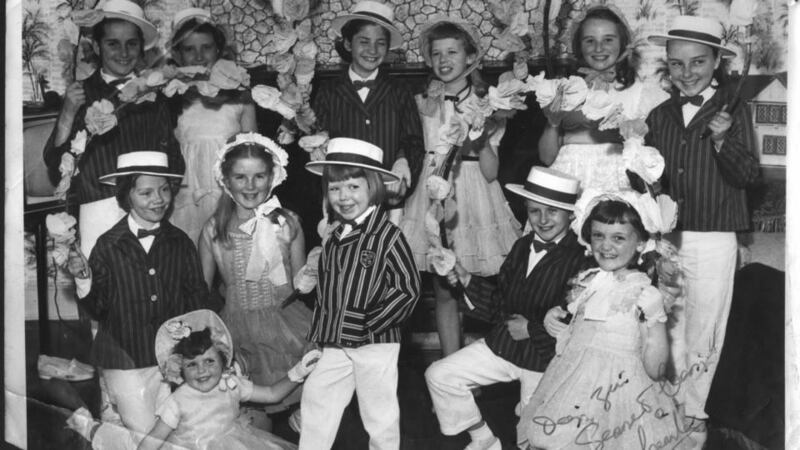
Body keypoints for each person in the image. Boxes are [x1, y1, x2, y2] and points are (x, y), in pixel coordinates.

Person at [646, 15, 760, 445]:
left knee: (706, 327)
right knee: (670, 322)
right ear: (668, 65)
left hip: (715, 236)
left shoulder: (735, 110)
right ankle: (668, 403)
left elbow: (748, 175)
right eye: (677, 64)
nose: (687, 72)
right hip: (669, 237)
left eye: (697, 62)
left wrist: (721, 141)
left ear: (716, 62)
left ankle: (695, 412)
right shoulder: (659, 115)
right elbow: (654, 180)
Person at [425, 167, 589, 450]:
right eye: (535, 211)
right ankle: (484, 440)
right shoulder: (522, 245)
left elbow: (578, 324)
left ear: (571, 215)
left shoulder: (582, 259)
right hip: (506, 346)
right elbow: (500, 302)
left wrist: (531, 329)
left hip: (545, 358)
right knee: (440, 375)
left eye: (553, 211)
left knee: (533, 435)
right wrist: (464, 278)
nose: (543, 219)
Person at [518, 189, 696, 449]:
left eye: (618, 238)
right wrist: (554, 321)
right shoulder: (588, 281)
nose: (605, 245)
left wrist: (656, 318)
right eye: (599, 235)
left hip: (622, 393)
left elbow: (656, 369)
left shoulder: (643, 292)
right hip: (574, 382)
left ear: (640, 243)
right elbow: (579, 335)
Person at [64, 151, 213, 449]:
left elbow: (197, 297)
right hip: (125, 359)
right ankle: (99, 433)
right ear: (126, 195)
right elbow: (98, 308)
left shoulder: (180, 242)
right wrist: (83, 279)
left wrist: (199, 346)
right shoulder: (108, 246)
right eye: (146, 192)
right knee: (149, 438)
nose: (157, 199)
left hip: (172, 357)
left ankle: (98, 433)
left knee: (181, 430)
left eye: (164, 190)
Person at [399, 18, 521, 356]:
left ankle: (493, 361)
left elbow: (491, 171)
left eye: (452, 51)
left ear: (470, 57)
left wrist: (480, 137)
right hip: (433, 192)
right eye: (436, 53)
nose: (443, 60)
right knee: (444, 289)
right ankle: (450, 369)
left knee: (480, 285)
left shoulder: (488, 102)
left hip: (474, 194)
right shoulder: (422, 102)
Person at [299, 138, 421, 449]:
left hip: (375, 343)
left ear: (374, 188)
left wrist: (368, 321)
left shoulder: (388, 237)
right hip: (337, 341)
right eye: (335, 189)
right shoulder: (336, 234)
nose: (343, 197)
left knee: (378, 412)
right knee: (317, 396)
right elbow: (331, 289)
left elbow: (407, 290)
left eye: (353, 187)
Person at [43, 0, 183, 258]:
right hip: (98, 209)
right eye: (112, 43)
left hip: (147, 209)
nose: (123, 52)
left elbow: (174, 160)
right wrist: (68, 112)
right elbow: (55, 162)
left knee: (146, 288)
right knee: (101, 289)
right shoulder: (81, 94)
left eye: (131, 43)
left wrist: (159, 197)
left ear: (141, 47)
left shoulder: (155, 95)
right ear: (97, 46)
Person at [198, 132, 313, 429]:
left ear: (272, 177)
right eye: (240, 177)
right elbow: (202, 292)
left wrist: (302, 260)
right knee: (254, 422)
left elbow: (301, 287)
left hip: (288, 328)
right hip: (240, 333)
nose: (250, 186)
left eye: (259, 176)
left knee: (308, 419)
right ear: (226, 179)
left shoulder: (289, 222)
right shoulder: (213, 230)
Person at [138, 309, 320, 450]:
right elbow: (153, 440)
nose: (202, 371)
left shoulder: (230, 384)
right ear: (180, 369)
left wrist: (299, 371)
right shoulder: (178, 401)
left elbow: (272, 394)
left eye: (209, 361)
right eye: (192, 365)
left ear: (223, 360)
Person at [312, 0, 424, 222]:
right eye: (364, 41)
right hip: (344, 201)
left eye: (380, 43)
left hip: (388, 199)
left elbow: (413, 140)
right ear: (347, 43)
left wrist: (403, 168)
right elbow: (319, 138)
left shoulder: (399, 90)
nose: (372, 50)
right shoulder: (329, 92)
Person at [538, 5, 668, 192]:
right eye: (589, 41)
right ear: (578, 46)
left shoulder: (641, 93)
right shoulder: (564, 90)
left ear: (623, 44)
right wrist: (552, 122)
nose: (598, 48)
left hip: (619, 186)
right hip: (569, 184)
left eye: (608, 40)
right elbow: (547, 158)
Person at [168, 8, 258, 244]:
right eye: (189, 49)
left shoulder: (240, 96)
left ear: (218, 50)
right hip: (187, 191)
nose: (199, 56)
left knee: (229, 251)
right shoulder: (171, 97)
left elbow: (252, 152)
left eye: (206, 47)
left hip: (227, 191)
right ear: (178, 54)